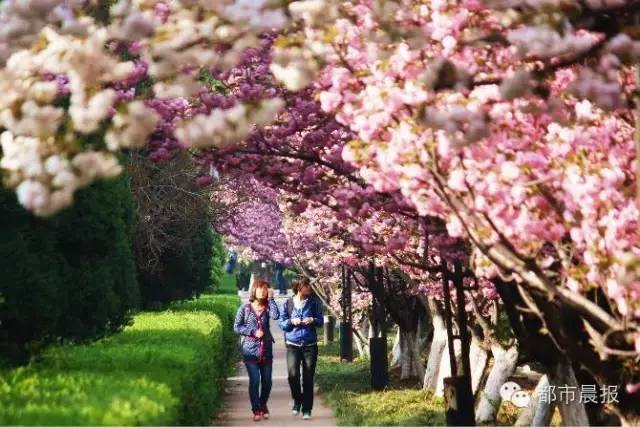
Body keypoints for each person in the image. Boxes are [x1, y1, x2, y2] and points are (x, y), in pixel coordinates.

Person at [233, 278, 280, 422]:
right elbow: (237, 327)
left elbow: (276, 316)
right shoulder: (245, 308)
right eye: (260, 288)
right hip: (250, 350)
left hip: (266, 350)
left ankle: (262, 403)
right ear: (254, 290)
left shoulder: (268, 307)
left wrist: (271, 299)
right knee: (254, 380)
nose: (263, 291)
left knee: (267, 382)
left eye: (265, 289)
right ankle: (257, 409)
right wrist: (253, 331)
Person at [278, 279, 323, 420]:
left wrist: (313, 320)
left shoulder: (314, 302)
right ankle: (297, 401)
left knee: (308, 378)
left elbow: (320, 320)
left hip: (310, 345)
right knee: (293, 375)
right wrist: (292, 321)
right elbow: (282, 323)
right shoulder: (288, 303)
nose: (309, 288)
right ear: (298, 287)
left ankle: (307, 409)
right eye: (307, 286)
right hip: (293, 344)